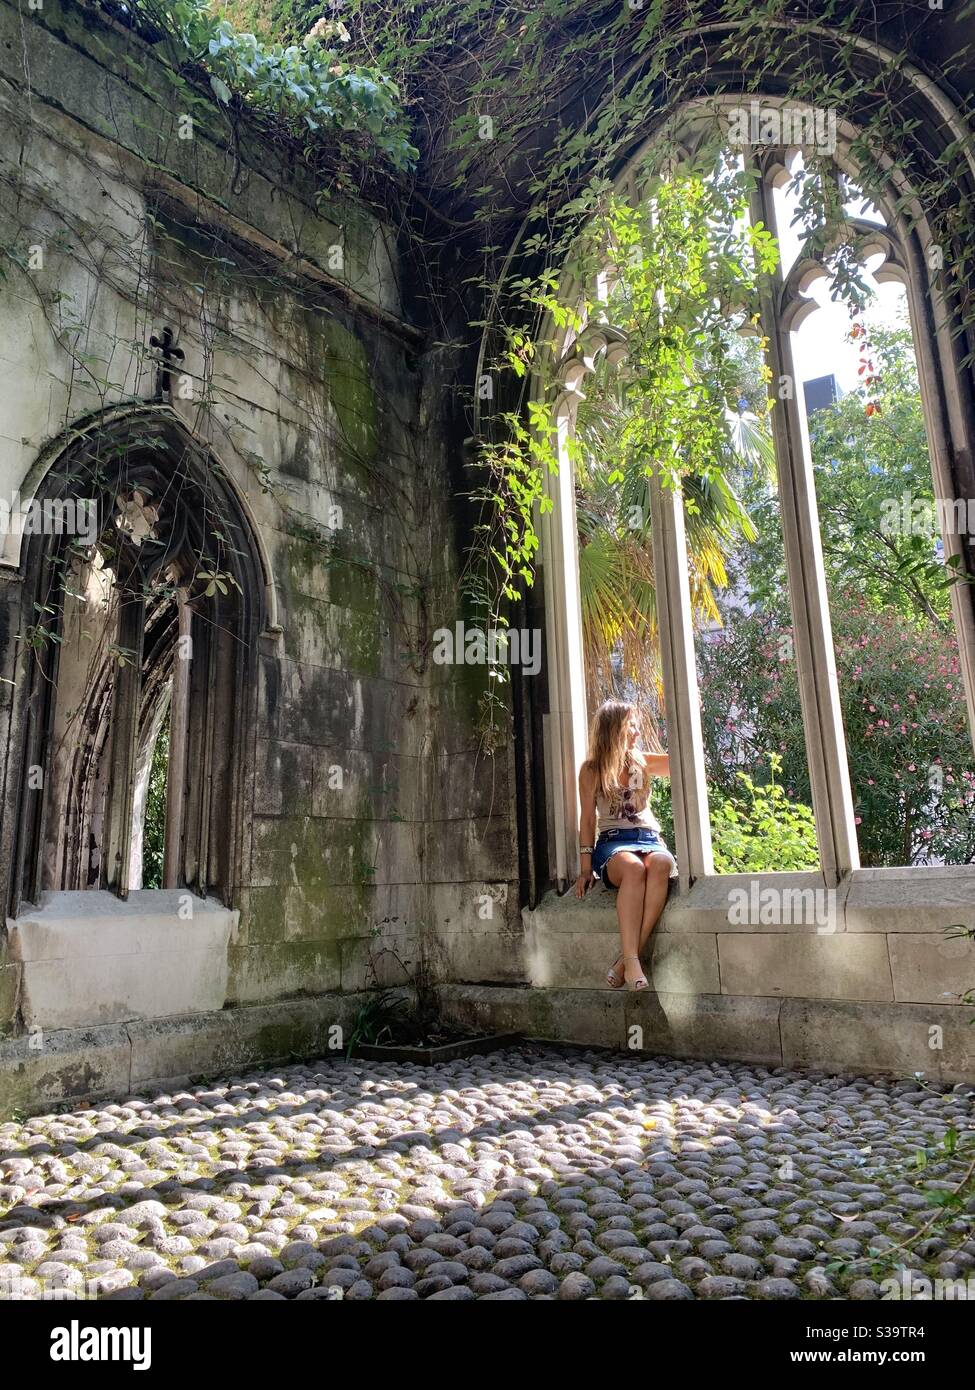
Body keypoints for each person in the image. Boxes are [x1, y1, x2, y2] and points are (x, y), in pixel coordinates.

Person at [574, 699, 677, 990]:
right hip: (613, 844)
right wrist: (585, 869)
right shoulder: (592, 770)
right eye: (631, 724)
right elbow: (587, 821)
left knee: (661, 864)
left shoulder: (641, 761)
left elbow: (683, 758)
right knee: (633, 869)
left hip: (648, 839)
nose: (636, 730)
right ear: (614, 729)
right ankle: (631, 963)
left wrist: (686, 710)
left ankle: (626, 961)